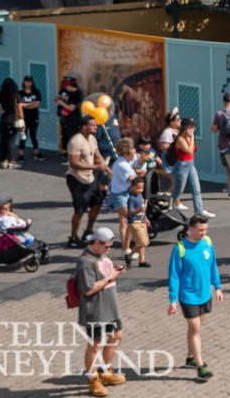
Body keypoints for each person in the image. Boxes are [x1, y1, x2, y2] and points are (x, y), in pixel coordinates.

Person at [167, 214, 221, 381]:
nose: (203, 233)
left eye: (205, 229)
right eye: (200, 230)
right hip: (188, 295)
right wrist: (173, 300)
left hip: (205, 293)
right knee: (196, 328)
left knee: (195, 328)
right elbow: (174, 275)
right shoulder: (180, 248)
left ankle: (190, 357)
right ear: (191, 229)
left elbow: (213, 265)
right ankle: (200, 366)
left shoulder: (208, 243)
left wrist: (217, 287)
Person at [76, 227, 125, 396]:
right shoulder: (85, 262)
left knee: (116, 336)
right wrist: (111, 276)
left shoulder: (101, 254)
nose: (108, 249)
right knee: (95, 344)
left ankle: (105, 371)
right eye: (106, 246)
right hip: (95, 310)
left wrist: (114, 272)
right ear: (96, 242)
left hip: (110, 306)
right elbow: (88, 289)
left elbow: (105, 273)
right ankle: (93, 379)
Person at [66, 119, 110, 247]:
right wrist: (95, 167)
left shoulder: (92, 138)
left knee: (97, 203)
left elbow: (97, 155)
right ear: (84, 126)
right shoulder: (76, 141)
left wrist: (107, 169)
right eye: (92, 125)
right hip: (77, 179)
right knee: (79, 210)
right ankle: (73, 238)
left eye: (96, 125)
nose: (96, 127)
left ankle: (88, 231)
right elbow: (74, 163)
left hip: (91, 178)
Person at [169, 117, 210, 220]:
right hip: (181, 166)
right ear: (185, 127)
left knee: (196, 189)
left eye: (193, 126)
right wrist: (191, 137)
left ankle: (199, 211)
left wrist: (191, 137)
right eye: (190, 126)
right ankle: (168, 207)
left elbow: (192, 150)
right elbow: (189, 150)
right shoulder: (180, 139)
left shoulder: (190, 137)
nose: (193, 128)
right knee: (178, 190)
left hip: (191, 165)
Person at [105, 137, 140, 250]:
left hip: (126, 193)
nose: (135, 150)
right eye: (133, 148)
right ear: (127, 151)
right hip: (120, 195)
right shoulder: (122, 165)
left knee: (127, 220)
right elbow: (132, 180)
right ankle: (125, 248)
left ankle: (127, 246)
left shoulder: (126, 161)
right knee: (126, 220)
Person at [123, 177, 151, 267]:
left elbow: (143, 211)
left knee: (144, 242)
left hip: (141, 221)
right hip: (134, 222)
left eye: (142, 188)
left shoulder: (140, 196)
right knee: (142, 242)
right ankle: (129, 255)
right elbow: (130, 212)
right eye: (138, 188)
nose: (140, 190)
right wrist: (139, 209)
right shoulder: (131, 199)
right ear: (132, 187)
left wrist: (146, 219)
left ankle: (142, 261)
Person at [56, 75, 84, 156]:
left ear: (70, 86)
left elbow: (71, 108)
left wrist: (61, 103)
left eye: (66, 86)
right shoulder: (77, 93)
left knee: (72, 138)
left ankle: (73, 156)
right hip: (73, 119)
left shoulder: (75, 94)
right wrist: (64, 99)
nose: (66, 88)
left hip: (73, 119)